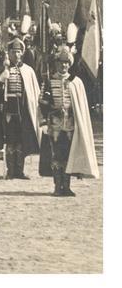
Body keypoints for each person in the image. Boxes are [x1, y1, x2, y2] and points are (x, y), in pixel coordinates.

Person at [39, 45, 98, 196]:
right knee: (56, 155)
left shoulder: (75, 82)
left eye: (66, 62)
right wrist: (44, 121)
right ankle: (58, 186)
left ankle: (66, 186)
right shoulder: (49, 81)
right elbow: (43, 103)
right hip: (55, 125)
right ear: (56, 63)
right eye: (61, 62)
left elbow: (80, 105)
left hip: (71, 124)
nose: (63, 65)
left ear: (69, 64)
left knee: (68, 156)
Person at [0, 38, 41, 180]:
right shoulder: (4, 69)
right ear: (9, 53)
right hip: (9, 109)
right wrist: (1, 80)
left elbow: (33, 92)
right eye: (13, 52)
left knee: (22, 140)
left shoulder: (28, 70)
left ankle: (20, 170)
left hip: (23, 109)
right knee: (10, 140)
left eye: (19, 52)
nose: (16, 55)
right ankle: (10, 170)